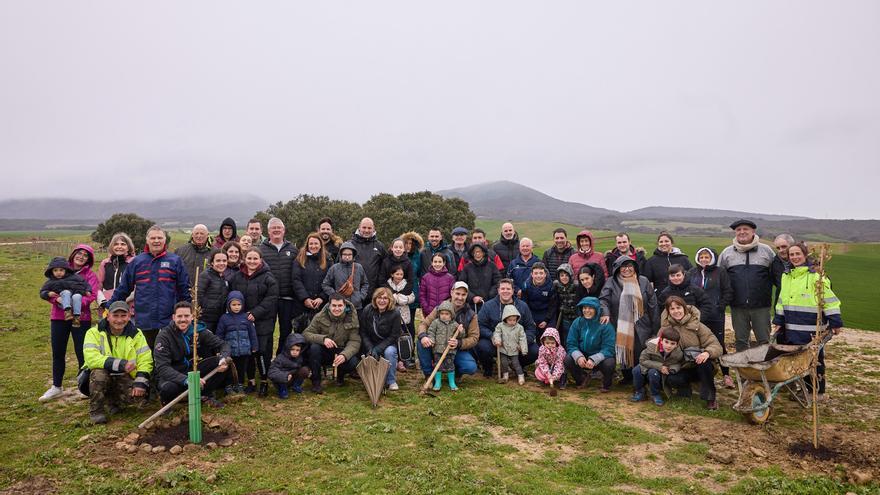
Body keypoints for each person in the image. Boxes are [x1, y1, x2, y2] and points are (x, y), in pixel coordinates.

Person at [773, 241, 843, 398]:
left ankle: (817, 392)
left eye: (798, 254)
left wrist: (835, 322)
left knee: (814, 361)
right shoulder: (786, 276)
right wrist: (778, 320)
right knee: (798, 361)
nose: (795, 257)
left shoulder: (816, 277)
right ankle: (805, 389)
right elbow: (781, 301)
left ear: (805, 255)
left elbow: (830, 300)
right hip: (791, 326)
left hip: (812, 328)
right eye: (792, 254)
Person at [110, 225, 190, 349]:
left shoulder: (175, 261)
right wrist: (110, 305)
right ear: (147, 240)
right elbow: (124, 288)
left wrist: (187, 311)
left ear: (165, 240)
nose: (156, 241)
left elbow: (184, 289)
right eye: (153, 238)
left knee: (169, 353)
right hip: (144, 318)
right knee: (146, 353)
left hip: (169, 318)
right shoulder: (137, 262)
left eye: (159, 238)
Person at [40, 244, 100, 402]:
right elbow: (48, 290)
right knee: (58, 351)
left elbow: (92, 295)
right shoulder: (58, 271)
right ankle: (56, 387)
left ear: (89, 260)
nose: (81, 257)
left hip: (82, 318)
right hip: (58, 317)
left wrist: (76, 305)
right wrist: (57, 299)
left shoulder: (90, 276)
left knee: (82, 352)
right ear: (73, 255)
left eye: (85, 255)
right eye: (79, 253)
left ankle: (83, 386)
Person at [81, 301, 153, 424]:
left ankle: (113, 402)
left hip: (124, 376)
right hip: (98, 377)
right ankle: (96, 410)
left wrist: (140, 382)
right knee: (99, 374)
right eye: (115, 315)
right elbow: (91, 358)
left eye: (123, 316)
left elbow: (145, 359)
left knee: (141, 400)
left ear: (129, 316)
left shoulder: (137, 334)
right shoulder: (93, 333)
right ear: (108, 316)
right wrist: (121, 364)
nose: (119, 320)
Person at [153, 302, 231, 407]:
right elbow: (162, 367)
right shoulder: (164, 336)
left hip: (191, 369)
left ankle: (205, 395)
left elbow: (223, 344)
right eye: (179, 316)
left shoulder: (198, 331)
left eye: (186, 316)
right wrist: (186, 380)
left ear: (192, 317)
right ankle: (167, 404)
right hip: (173, 374)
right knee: (168, 388)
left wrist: (223, 358)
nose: (183, 319)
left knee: (219, 363)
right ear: (173, 317)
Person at [717, 219, 775, 352]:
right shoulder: (727, 253)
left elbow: (776, 274)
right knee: (741, 341)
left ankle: (765, 369)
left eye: (745, 229)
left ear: (753, 231)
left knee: (763, 340)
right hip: (737, 306)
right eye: (738, 230)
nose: (742, 232)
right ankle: (745, 371)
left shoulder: (766, 251)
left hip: (761, 306)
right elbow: (720, 277)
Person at [228, 248, 278, 396]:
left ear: (261, 260)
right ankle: (250, 381)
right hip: (242, 321)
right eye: (249, 258)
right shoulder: (236, 277)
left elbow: (272, 298)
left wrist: (255, 313)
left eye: (255, 258)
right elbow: (231, 296)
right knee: (247, 351)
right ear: (244, 259)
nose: (252, 261)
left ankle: (264, 381)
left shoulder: (268, 278)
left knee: (261, 351)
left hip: (263, 320)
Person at [599, 256, 658, 383]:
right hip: (620, 323)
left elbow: (653, 304)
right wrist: (605, 313)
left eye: (630, 266)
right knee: (624, 349)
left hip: (641, 323)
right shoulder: (611, 282)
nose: (627, 269)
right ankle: (627, 377)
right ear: (618, 269)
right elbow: (603, 299)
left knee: (639, 351)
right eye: (623, 266)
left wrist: (655, 327)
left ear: (635, 267)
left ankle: (641, 377)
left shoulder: (643, 281)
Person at [660, 296, 723, 410]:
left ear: (684, 308)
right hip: (681, 366)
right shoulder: (665, 328)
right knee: (672, 378)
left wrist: (707, 353)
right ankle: (685, 388)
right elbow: (657, 348)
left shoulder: (697, 325)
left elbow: (716, 346)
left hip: (699, 364)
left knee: (705, 365)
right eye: (672, 309)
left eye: (678, 307)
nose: (676, 311)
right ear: (668, 311)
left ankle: (710, 398)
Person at [687, 247, 734, 388]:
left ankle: (726, 375)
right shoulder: (691, 273)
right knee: (697, 343)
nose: (704, 259)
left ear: (712, 258)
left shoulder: (720, 272)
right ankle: (701, 375)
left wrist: (721, 306)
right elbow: (688, 292)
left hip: (715, 315)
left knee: (718, 343)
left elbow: (728, 291)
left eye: (707, 257)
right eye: (701, 257)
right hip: (697, 315)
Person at [416, 281, 480, 379]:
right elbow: (424, 324)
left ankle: (456, 372)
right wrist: (423, 336)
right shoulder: (439, 309)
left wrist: (459, 343)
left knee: (470, 367)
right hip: (437, 347)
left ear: (467, 295)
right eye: (457, 293)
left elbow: (474, 337)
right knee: (421, 342)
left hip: (456, 350)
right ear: (451, 292)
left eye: (463, 294)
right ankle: (429, 375)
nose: (460, 297)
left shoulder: (471, 315)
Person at [477, 279, 539, 375]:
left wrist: (524, 342)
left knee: (534, 350)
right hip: (497, 343)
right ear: (498, 290)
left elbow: (530, 327)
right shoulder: (488, 306)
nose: (505, 291)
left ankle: (517, 365)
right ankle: (488, 367)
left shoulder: (522, 306)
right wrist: (492, 336)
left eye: (508, 289)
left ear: (513, 290)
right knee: (482, 346)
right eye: (502, 288)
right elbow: (480, 325)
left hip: (516, 342)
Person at [302, 293, 361, 393]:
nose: (336, 309)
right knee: (314, 348)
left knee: (353, 362)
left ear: (344, 306)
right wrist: (323, 339)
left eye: (339, 306)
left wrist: (344, 355)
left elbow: (354, 341)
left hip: (341, 350)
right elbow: (306, 334)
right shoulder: (320, 316)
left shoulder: (352, 318)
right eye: (334, 305)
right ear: (329, 306)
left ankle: (340, 376)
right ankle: (316, 381)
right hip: (324, 349)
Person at [258, 217, 298, 357]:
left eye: (278, 228)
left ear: (283, 230)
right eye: (273, 228)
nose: (276, 230)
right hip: (268, 299)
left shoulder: (293, 250)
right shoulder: (261, 250)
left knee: (286, 331)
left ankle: (282, 357)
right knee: (267, 331)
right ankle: (266, 361)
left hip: (287, 298)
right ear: (268, 231)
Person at [565, 297, 617, 392]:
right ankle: (581, 379)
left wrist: (594, 359)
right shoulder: (577, 322)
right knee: (568, 359)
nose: (586, 310)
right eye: (584, 308)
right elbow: (571, 343)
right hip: (583, 356)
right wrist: (578, 356)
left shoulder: (605, 324)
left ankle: (606, 383)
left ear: (596, 309)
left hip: (600, 357)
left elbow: (609, 348)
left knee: (609, 363)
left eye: (590, 308)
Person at [214, 291, 259, 395]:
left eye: (239, 304)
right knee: (229, 369)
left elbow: (252, 333)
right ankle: (228, 385)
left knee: (241, 369)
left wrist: (254, 346)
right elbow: (219, 335)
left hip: (244, 350)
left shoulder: (247, 318)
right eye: (233, 304)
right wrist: (218, 349)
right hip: (230, 351)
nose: (236, 307)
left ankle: (239, 384)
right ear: (229, 305)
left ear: (242, 304)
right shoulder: (224, 318)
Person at [360, 288, 403, 391]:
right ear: (375, 299)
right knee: (366, 354)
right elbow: (363, 331)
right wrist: (370, 348)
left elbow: (394, 336)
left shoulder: (395, 313)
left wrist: (378, 349)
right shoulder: (367, 310)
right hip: (371, 342)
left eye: (385, 298)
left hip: (389, 343)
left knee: (390, 352)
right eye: (379, 297)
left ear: (390, 300)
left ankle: (391, 381)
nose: (382, 301)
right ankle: (372, 379)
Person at [631, 326, 684, 406]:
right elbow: (643, 360)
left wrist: (671, 369)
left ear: (676, 345)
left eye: (672, 343)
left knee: (653, 373)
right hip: (647, 366)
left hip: (659, 372)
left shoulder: (678, 353)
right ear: (661, 340)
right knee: (636, 370)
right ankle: (640, 392)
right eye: (666, 342)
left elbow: (678, 363)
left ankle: (655, 394)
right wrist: (660, 366)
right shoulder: (651, 346)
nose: (669, 346)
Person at [292, 233, 331, 331]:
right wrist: (305, 298)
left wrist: (322, 297)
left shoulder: (328, 260)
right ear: (307, 245)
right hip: (302, 306)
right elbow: (296, 280)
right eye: (311, 244)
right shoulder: (299, 259)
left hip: (321, 305)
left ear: (320, 245)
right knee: (302, 334)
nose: (313, 246)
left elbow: (330, 280)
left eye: (316, 244)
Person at [41, 256, 92, 327]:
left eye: (61, 270)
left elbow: (85, 283)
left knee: (77, 296)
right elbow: (42, 292)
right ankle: (67, 312)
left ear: (66, 270)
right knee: (66, 292)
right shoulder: (51, 281)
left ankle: (77, 317)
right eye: (55, 270)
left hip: (75, 298)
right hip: (62, 301)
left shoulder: (74, 277)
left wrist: (87, 290)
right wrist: (48, 293)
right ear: (52, 271)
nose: (58, 272)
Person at [323, 242, 370, 310]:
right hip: (339, 307)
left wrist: (361, 296)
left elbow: (365, 284)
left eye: (349, 254)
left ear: (353, 255)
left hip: (356, 306)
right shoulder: (334, 268)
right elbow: (325, 284)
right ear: (341, 255)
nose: (347, 257)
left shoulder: (359, 267)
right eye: (344, 254)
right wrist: (335, 295)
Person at [95, 233, 136, 308]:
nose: (119, 247)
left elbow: (137, 286)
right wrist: (102, 301)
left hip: (128, 305)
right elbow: (98, 285)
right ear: (112, 247)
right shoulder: (105, 263)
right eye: (116, 244)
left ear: (128, 247)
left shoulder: (134, 263)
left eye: (123, 244)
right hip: (107, 305)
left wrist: (122, 300)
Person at [457, 243, 501, 311]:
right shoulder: (467, 267)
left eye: (479, 251)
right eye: (474, 252)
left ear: (484, 253)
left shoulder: (492, 266)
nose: (477, 254)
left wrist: (490, 295)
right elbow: (462, 285)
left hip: (489, 302)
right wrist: (472, 297)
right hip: (471, 305)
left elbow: (498, 282)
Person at [428, 301, 461, 391]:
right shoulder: (436, 323)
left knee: (450, 366)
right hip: (438, 350)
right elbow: (431, 332)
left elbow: (461, 336)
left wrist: (461, 331)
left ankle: (452, 383)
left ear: (451, 315)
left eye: (446, 314)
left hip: (450, 350)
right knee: (438, 366)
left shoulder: (455, 324)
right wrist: (432, 340)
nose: (444, 316)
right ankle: (438, 382)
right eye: (442, 313)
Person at [493, 305, 528, 385]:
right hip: (503, 348)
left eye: (514, 320)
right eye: (510, 320)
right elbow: (497, 333)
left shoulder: (519, 328)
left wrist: (524, 349)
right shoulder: (500, 326)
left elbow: (522, 338)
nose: (512, 322)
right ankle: (505, 375)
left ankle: (520, 375)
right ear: (505, 318)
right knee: (503, 362)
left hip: (514, 349)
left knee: (516, 363)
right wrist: (497, 340)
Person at [268, 333, 310, 398]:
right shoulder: (280, 358)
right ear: (288, 348)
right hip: (282, 380)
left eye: (297, 350)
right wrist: (284, 376)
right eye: (292, 349)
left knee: (305, 370)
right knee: (282, 379)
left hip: (292, 377)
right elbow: (271, 372)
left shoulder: (300, 357)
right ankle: (282, 390)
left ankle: (296, 385)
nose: (295, 352)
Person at [196, 250, 230, 331]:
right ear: (212, 262)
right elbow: (198, 297)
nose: (221, 263)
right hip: (206, 320)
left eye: (224, 261)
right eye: (218, 260)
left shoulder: (223, 277)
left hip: (219, 319)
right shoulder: (206, 275)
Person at [520, 262, 558, 335]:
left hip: (547, 313)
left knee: (549, 335)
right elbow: (524, 304)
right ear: (532, 274)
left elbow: (553, 306)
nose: (538, 276)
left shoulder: (551, 286)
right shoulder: (526, 286)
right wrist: (530, 320)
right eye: (536, 273)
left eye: (541, 273)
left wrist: (546, 320)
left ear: (545, 274)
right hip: (531, 312)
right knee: (531, 334)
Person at [351, 217, 386, 292]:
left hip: (374, 292)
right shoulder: (349, 245)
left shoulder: (380, 246)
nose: (366, 230)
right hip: (353, 292)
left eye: (369, 228)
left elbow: (385, 269)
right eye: (364, 227)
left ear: (373, 229)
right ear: (359, 227)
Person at [419, 253, 456, 317]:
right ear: (432, 263)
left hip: (445, 312)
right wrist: (426, 308)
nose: (437, 264)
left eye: (440, 262)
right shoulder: (426, 277)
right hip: (429, 312)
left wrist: (447, 308)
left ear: (444, 263)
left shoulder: (450, 278)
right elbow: (422, 295)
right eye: (435, 262)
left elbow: (452, 295)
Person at [554, 263, 578, 344]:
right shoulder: (557, 286)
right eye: (562, 275)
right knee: (566, 336)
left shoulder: (576, 286)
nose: (564, 277)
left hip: (575, 317)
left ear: (570, 276)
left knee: (576, 335)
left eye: (566, 275)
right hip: (564, 317)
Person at [771, 233, 795, 307]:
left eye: (784, 247)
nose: (781, 250)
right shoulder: (774, 264)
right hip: (781, 306)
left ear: (792, 246)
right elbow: (776, 282)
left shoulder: (805, 262)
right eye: (778, 248)